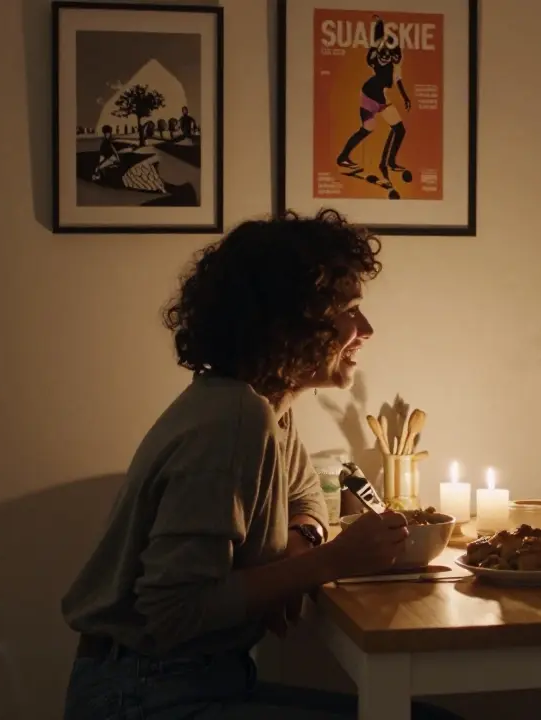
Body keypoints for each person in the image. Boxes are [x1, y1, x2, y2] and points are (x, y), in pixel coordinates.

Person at [62, 210, 458, 720]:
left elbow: (305, 495)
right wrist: (329, 563)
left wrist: (301, 547)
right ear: (290, 322)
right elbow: (173, 612)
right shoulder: (235, 418)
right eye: (349, 311)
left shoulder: (267, 405)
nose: (366, 329)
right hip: (145, 695)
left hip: (189, 680)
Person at [335, 15, 412, 181]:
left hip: (382, 100)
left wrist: (406, 98)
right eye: (383, 56)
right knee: (368, 128)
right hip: (369, 96)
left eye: (390, 57)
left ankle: (390, 162)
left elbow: (398, 80)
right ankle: (342, 157)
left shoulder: (395, 65)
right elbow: (376, 42)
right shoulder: (373, 58)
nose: (385, 59)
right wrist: (379, 25)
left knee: (400, 129)